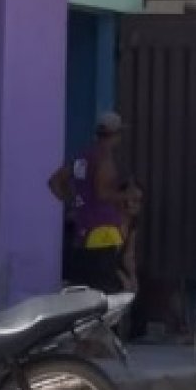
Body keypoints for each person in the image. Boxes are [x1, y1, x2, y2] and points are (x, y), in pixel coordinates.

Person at [48, 111, 131, 294]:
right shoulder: (104, 158)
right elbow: (102, 193)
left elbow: (54, 182)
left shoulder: (83, 158)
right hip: (104, 229)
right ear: (114, 135)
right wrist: (126, 196)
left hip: (84, 228)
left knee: (89, 283)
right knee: (105, 286)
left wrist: (74, 201)